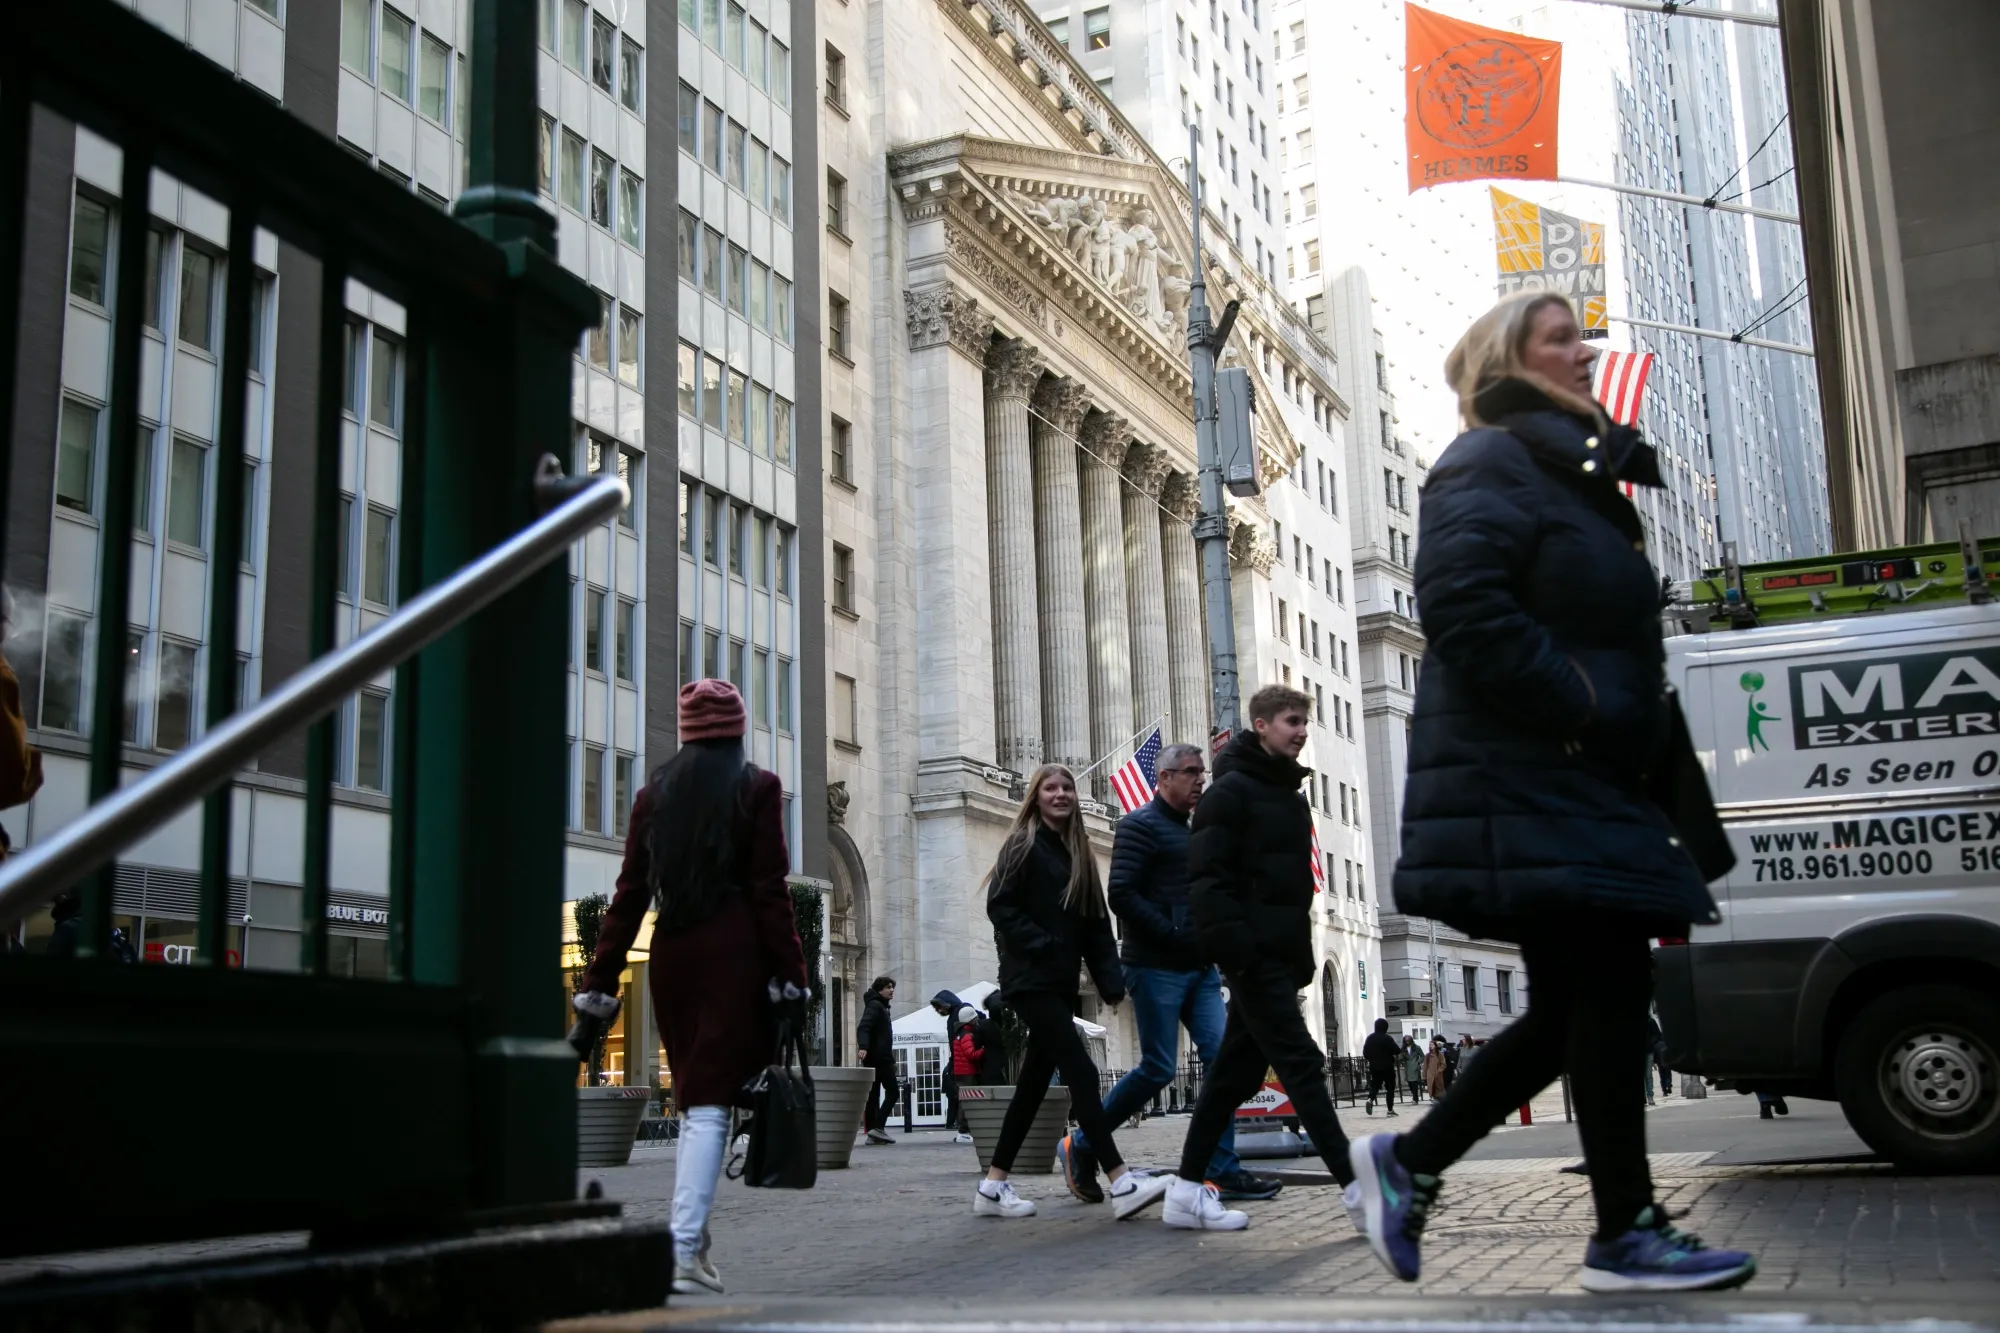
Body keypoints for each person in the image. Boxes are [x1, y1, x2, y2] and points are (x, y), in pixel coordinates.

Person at [1346, 292, 1756, 1294]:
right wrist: (1579, 707)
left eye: (1582, 334)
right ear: (1509, 360)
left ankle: (1425, 1166)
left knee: (1586, 999)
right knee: (1602, 992)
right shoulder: (1488, 461)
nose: (1584, 351)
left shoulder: (1572, 478)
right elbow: (1461, 607)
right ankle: (1613, 1227)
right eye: (1560, 336)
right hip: (1538, 774)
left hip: (1581, 774)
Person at [575, 679, 808, 1297]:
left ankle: (693, 1247)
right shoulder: (756, 788)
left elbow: (628, 898)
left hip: (673, 952)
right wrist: (791, 976)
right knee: (709, 1104)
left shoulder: (654, 796)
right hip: (734, 952)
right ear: (735, 731)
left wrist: (599, 985)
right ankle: (680, 1250)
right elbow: (769, 889)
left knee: (695, 1098)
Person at [1162, 685, 1359, 1232]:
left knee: (1229, 1080)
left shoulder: (1288, 796)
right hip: (1254, 960)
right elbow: (1209, 884)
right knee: (1302, 1066)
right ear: (1262, 724)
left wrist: (1297, 959)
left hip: (1278, 957)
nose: (1300, 731)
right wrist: (1242, 958)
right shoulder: (1229, 794)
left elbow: (1293, 888)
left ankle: (1183, 1193)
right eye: (1292, 721)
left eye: (1304, 723)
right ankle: (1360, 1191)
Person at [1063, 742, 1281, 1204]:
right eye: (1190, 771)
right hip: (1155, 967)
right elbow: (1121, 893)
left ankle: (1222, 1169)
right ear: (1163, 778)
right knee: (1158, 1068)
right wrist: (1174, 934)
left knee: (1221, 1064)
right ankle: (1082, 1144)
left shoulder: (1198, 829)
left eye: (1202, 772)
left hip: (1202, 971)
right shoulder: (1139, 826)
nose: (1200, 779)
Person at [978, 763, 1169, 1221]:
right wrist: (1042, 944)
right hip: (1030, 980)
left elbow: (1097, 927)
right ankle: (1121, 1180)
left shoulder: (1079, 854)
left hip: (1060, 983)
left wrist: (1111, 982)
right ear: (1036, 796)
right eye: (1051, 787)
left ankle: (992, 1185)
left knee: (1032, 1086)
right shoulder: (1022, 845)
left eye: (1067, 787)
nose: (1060, 794)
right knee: (1081, 1073)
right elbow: (999, 905)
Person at [857, 976, 898, 1145]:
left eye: (892, 987)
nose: (892, 990)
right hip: (879, 1058)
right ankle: (878, 1128)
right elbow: (864, 1026)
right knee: (893, 1092)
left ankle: (873, 1133)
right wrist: (864, 1046)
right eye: (888, 987)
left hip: (879, 1057)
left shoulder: (881, 1006)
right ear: (880, 989)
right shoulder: (875, 1006)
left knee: (874, 1095)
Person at [932, 989, 970, 1140]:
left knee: (965, 1097)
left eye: (939, 1007)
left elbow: (955, 1043)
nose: (939, 1011)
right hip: (962, 1062)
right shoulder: (957, 1014)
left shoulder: (958, 1014)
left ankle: (963, 1130)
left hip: (962, 1062)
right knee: (964, 1096)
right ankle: (963, 1130)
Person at [950, 1005, 985, 1143]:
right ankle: (963, 1131)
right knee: (967, 1102)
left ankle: (963, 1130)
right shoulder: (967, 1035)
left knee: (964, 1101)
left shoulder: (959, 1034)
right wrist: (983, 1050)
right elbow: (971, 1054)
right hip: (968, 1073)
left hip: (961, 1072)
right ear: (970, 1020)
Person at [1363, 1018, 1400, 1117]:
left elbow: (1365, 1053)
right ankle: (1390, 1109)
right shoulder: (1387, 1038)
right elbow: (1397, 1050)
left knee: (1374, 1085)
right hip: (1388, 1067)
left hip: (1375, 1067)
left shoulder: (1370, 1038)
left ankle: (1370, 1099)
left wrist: (1372, 1059)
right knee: (1390, 1088)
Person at [1401, 1036, 1425, 1106]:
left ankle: (1415, 1099)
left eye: (1408, 1040)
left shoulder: (1417, 1047)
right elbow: (1400, 1057)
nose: (1407, 1042)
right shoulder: (1403, 1049)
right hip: (1408, 1067)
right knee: (1410, 1083)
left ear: (1411, 1040)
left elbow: (1422, 1056)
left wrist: (1418, 1062)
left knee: (1414, 1083)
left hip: (1414, 1067)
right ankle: (1415, 1097)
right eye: (1406, 1041)